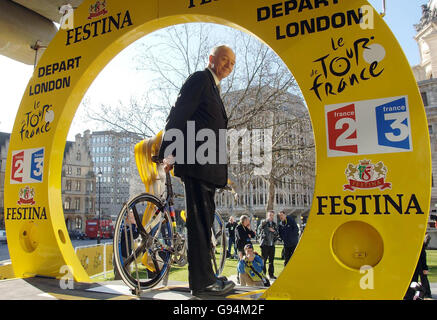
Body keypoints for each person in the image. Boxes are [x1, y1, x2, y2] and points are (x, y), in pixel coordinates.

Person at [158, 45, 236, 297]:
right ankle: (203, 284)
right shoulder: (200, 79)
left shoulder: (213, 87)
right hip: (197, 164)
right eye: (225, 60)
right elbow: (179, 114)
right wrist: (168, 153)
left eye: (233, 63)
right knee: (200, 225)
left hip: (207, 167)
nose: (228, 66)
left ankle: (207, 278)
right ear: (212, 59)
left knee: (204, 223)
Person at [404, 233, 432, 300]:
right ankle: (409, 295)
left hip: (414, 265)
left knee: (413, 281)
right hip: (413, 265)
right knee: (412, 281)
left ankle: (410, 295)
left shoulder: (416, 242)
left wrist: (425, 267)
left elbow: (422, 255)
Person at [258, 210, 279, 280]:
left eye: (272, 215)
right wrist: (260, 238)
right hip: (265, 244)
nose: (271, 216)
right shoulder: (264, 222)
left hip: (272, 244)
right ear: (267, 215)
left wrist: (273, 231)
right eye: (270, 215)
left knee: (271, 260)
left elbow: (277, 233)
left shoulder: (274, 224)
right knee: (264, 260)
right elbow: (259, 230)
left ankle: (271, 275)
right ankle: (263, 275)